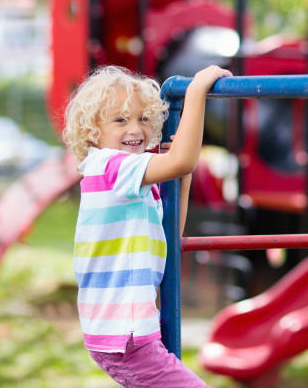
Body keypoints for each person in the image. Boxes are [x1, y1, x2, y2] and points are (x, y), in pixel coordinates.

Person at [63, 64, 232, 387]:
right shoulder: (111, 166)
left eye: (143, 119)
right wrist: (197, 91)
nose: (135, 129)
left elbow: (170, 234)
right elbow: (182, 158)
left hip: (125, 332)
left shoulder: (133, 183)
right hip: (125, 335)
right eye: (121, 120)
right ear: (92, 132)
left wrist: (182, 180)